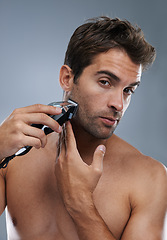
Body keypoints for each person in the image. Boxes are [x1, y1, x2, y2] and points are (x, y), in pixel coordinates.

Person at [0, 16, 166, 240]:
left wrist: (82, 206)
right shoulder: (14, 153)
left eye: (128, 90)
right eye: (105, 82)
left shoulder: (151, 178)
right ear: (67, 78)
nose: (118, 104)